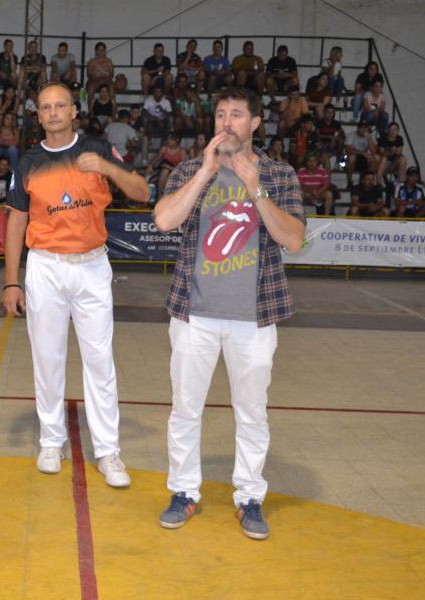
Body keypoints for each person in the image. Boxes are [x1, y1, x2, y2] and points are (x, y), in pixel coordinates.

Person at [152, 86, 305, 540]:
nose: (226, 123)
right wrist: (205, 173)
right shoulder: (188, 170)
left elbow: (293, 239)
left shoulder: (278, 175)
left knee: (252, 413)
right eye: (220, 114)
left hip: (253, 318)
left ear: (255, 124)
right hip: (194, 314)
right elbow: (164, 220)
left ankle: (250, 497)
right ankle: (183, 491)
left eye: (236, 115)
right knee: (185, 409)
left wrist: (254, 188)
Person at [3, 83, 150, 488]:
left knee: (100, 361)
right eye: (45, 107)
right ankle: (51, 440)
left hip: (91, 266)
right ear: (38, 115)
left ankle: (108, 451)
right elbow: (16, 220)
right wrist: (11, 282)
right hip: (45, 268)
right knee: (47, 358)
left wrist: (107, 169)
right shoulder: (28, 160)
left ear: (74, 111)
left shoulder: (99, 149)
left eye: (60, 105)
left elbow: (142, 192)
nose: (53, 112)